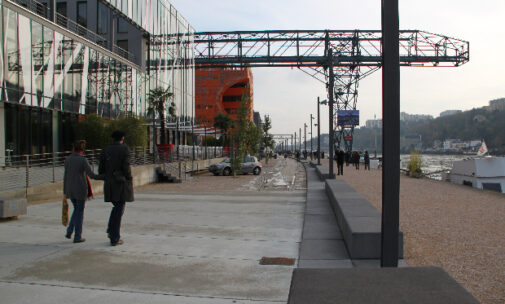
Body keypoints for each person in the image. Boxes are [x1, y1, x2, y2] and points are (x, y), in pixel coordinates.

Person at [99, 130, 134, 246]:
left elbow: (101, 169)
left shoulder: (105, 150)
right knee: (119, 209)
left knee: (116, 208)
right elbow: (126, 166)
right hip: (120, 183)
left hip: (109, 183)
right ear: (122, 138)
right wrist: (129, 177)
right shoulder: (125, 149)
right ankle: (114, 237)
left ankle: (111, 231)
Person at [63, 140, 102, 243]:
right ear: (82, 149)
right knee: (79, 212)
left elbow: (65, 176)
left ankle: (69, 230)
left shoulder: (67, 159)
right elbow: (91, 175)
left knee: (76, 210)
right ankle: (77, 236)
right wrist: (103, 177)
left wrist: (64, 192)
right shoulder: (83, 160)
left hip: (70, 189)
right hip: (80, 189)